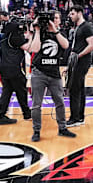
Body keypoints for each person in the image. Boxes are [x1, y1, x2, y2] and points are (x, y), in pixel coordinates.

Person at [30, 11, 77, 142]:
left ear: (59, 21)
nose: (53, 20)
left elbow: (66, 46)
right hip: (39, 73)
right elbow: (34, 49)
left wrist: (54, 30)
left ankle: (62, 128)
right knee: (36, 105)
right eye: (52, 18)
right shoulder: (40, 32)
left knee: (60, 102)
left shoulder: (61, 33)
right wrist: (37, 30)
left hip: (55, 74)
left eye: (56, 18)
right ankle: (36, 131)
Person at [0, 17, 37, 125]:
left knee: (7, 91)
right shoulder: (15, 36)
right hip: (14, 68)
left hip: (4, 67)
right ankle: (27, 114)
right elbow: (29, 48)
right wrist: (33, 35)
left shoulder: (5, 36)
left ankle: (1, 115)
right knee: (21, 91)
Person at [66, 5, 93, 127]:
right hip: (77, 61)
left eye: (72, 13)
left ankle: (75, 117)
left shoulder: (86, 27)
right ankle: (79, 117)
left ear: (79, 13)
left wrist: (78, 55)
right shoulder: (78, 27)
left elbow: (92, 45)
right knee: (79, 88)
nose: (70, 16)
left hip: (82, 61)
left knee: (75, 88)